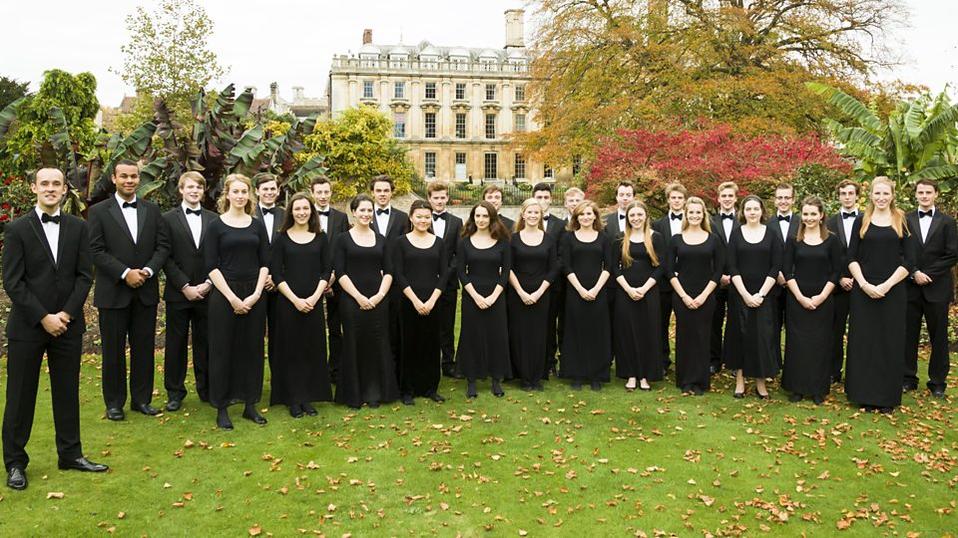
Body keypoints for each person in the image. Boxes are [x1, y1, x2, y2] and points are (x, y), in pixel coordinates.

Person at [2, 168, 108, 491]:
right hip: (28, 326)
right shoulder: (18, 229)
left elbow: (84, 276)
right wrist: (43, 316)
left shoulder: (79, 227)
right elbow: (13, 281)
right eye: (44, 183)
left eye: (56, 184)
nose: (50, 188)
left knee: (67, 392)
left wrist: (65, 314)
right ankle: (15, 462)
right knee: (20, 396)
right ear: (34, 187)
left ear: (65, 190)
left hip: (68, 325)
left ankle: (71, 454)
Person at [88, 159, 170, 420]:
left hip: (145, 290)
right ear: (114, 178)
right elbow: (95, 250)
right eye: (124, 176)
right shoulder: (99, 211)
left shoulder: (152, 210)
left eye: (133, 176)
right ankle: (114, 403)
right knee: (112, 351)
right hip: (113, 292)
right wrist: (125, 273)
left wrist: (147, 271)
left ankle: (142, 400)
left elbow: (163, 246)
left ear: (139, 178)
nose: (129, 181)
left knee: (144, 349)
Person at [205, 174, 270, 429]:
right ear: (227, 195)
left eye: (245, 191)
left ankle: (249, 404)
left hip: (254, 293)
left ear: (249, 195)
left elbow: (265, 261)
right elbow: (211, 266)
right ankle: (221, 407)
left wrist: (254, 295)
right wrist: (232, 298)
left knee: (252, 349)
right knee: (222, 350)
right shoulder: (216, 226)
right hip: (224, 294)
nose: (241, 196)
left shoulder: (257, 225)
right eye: (236, 191)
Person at [846, 177, 915, 413]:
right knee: (864, 342)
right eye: (877, 194)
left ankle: (886, 398)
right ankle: (863, 395)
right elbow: (851, 257)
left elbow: (910, 260)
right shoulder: (860, 221)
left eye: (885, 194)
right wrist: (864, 284)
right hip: (863, 291)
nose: (881, 198)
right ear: (871, 195)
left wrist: (887, 285)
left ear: (892, 195)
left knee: (889, 342)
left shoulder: (902, 220)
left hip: (893, 292)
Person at [333, 194, 400, 408]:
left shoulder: (381, 240)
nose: (366, 214)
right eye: (362, 210)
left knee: (377, 342)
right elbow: (340, 272)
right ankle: (355, 393)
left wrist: (379, 296)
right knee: (354, 342)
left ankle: (375, 392)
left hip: (378, 298)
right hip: (352, 299)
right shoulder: (342, 239)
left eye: (369, 210)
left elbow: (389, 271)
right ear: (353, 212)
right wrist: (359, 297)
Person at [270, 193, 332, 417]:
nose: (302, 212)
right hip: (288, 303)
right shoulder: (281, 238)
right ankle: (293, 399)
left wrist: (315, 297)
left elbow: (326, 269)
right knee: (291, 351)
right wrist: (295, 300)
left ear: (311, 211)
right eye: (297, 209)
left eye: (306, 208)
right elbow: (276, 273)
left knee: (311, 350)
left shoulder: (320, 237)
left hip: (314, 302)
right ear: (291, 212)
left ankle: (308, 397)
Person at [161, 171, 216, 411]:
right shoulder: (166, 219)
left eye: (199, 187)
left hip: (208, 291)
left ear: (203, 191)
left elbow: (219, 255)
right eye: (190, 187)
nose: (194, 191)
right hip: (178, 293)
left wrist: (207, 283)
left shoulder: (215, 219)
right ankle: (175, 392)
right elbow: (165, 256)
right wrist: (184, 285)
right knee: (176, 344)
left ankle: (207, 389)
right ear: (181, 190)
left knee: (207, 343)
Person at [782, 196, 842, 404]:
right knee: (797, 344)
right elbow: (787, 271)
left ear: (821, 215)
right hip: (797, 298)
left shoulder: (832, 240)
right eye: (805, 214)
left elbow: (836, 272)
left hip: (823, 299)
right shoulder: (793, 240)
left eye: (813, 214)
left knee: (820, 344)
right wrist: (799, 297)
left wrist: (822, 296)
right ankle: (797, 388)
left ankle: (818, 389)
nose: (809, 218)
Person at [904, 179, 957, 398]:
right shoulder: (905, 219)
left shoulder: (947, 222)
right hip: (910, 285)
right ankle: (908, 377)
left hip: (937, 287)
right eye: (921, 192)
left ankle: (937, 381)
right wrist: (914, 271)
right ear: (915, 195)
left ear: (936, 194)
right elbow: (901, 251)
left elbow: (953, 253)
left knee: (939, 337)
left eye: (928, 192)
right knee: (908, 334)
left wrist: (929, 274)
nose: (924, 196)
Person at [725, 195, 782, 399]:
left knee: (762, 339)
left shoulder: (772, 234)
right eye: (748, 209)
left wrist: (760, 294)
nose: (752, 212)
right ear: (743, 212)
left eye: (755, 209)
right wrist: (745, 294)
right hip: (740, 294)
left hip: (764, 295)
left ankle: (760, 382)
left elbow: (776, 266)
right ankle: (740, 381)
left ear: (762, 211)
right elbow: (732, 266)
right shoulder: (736, 234)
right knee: (740, 336)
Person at [394, 200, 449, 404]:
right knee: (409, 343)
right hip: (409, 300)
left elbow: (444, 274)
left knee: (431, 344)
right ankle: (407, 389)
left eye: (427, 217)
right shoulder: (400, 242)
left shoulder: (439, 242)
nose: (423, 220)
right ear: (411, 217)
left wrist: (432, 299)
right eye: (419, 216)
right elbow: (399, 273)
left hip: (433, 301)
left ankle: (430, 387)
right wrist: (416, 300)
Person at [667, 196, 724, 395]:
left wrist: (703, 295)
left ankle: (700, 381)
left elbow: (718, 271)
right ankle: (685, 380)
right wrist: (683, 296)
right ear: (685, 214)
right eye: (691, 212)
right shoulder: (676, 240)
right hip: (682, 295)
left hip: (705, 295)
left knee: (702, 337)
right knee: (684, 336)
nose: (694, 215)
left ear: (703, 215)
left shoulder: (713, 239)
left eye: (698, 212)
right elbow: (669, 270)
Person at [456, 201, 512, 398]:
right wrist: (476, 296)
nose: (480, 220)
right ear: (473, 218)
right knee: (472, 336)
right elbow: (461, 272)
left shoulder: (503, 242)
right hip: (472, 295)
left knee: (497, 336)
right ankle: (471, 379)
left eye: (485, 216)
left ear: (492, 218)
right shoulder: (464, 242)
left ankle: (496, 379)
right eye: (477, 216)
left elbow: (505, 272)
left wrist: (494, 296)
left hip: (496, 294)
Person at [560, 200, 613, 390]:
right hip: (575, 290)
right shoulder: (568, 238)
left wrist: (596, 289)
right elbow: (566, 265)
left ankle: (596, 375)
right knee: (576, 331)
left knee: (597, 332)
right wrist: (581, 289)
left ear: (595, 216)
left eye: (589, 214)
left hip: (598, 290)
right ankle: (577, 374)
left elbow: (609, 266)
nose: (585, 217)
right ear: (576, 217)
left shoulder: (603, 238)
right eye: (581, 214)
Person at [612, 200, 665, 391]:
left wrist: (644, 289)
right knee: (627, 333)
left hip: (649, 292)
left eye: (639, 215)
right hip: (625, 292)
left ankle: (645, 375)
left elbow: (661, 267)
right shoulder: (620, 238)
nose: (636, 218)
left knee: (647, 333)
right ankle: (631, 374)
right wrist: (628, 289)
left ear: (646, 216)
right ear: (628, 217)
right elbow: (613, 268)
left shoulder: (656, 238)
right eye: (632, 215)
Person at [508, 198, 559, 391]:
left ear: (540, 215)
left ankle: (536, 376)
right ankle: (522, 375)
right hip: (517, 293)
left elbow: (553, 268)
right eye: (529, 212)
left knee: (539, 334)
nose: (532, 215)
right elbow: (508, 268)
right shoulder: (513, 239)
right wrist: (520, 291)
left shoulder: (548, 239)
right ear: (523, 214)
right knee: (520, 333)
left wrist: (539, 292)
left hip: (541, 293)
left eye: (536, 213)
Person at [310, 176, 350, 384]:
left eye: (326, 192)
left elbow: (344, 248)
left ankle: (335, 370)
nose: (323, 196)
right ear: (312, 193)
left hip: (336, 279)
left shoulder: (341, 218)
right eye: (319, 192)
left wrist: (333, 276)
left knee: (336, 328)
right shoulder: (304, 215)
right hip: (310, 279)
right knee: (312, 329)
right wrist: (318, 279)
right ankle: (315, 371)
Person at [824, 179, 861, 385]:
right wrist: (839, 278)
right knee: (835, 331)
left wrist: (858, 278)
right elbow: (826, 255)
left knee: (860, 331)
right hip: (837, 286)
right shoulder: (829, 223)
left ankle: (857, 373)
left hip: (862, 285)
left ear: (857, 196)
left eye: (850, 193)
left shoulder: (867, 220)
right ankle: (833, 371)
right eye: (843, 193)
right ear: (838, 197)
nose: (847, 197)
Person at [427, 181, 464, 379]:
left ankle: (448, 363)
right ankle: (429, 361)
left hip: (449, 283)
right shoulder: (421, 219)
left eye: (443, 197)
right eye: (436, 198)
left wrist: (447, 273)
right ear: (429, 199)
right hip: (425, 281)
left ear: (447, 198)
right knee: (428, 324)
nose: (439, 201)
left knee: (447, 325)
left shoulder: (456, 222)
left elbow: (459, 253)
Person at [253, 173, 285, 389]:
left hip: (280, 284)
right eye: (265, 189)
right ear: (256, 191)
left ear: (278, 190)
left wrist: (276, 276)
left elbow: (290, 249)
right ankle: (249, 384)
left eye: (272, 188)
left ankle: (279, 382)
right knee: (252, 336)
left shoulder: (286, 215)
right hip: (252, 284)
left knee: (279, 336)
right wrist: (262, 278)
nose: (269, 192)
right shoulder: (246, 214)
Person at [653, 182, 687, 370]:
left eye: (680, 198)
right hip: (663, 283)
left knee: (686, 324)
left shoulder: (693, 221)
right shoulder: (658, 225)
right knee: (661, 324)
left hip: (689, 281)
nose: (676, 201)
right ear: (668, 200)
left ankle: (685, 363)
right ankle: (662, 361)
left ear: (684, 200)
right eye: (673, 198)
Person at [532, 183, 564, 377]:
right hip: (528, 282)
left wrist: (547, 278)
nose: (542, 201)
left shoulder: (559, 225)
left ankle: (550, 361)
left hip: (552, 284)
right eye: (539, 197)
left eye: (546, 197)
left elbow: (560, 257)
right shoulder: (523, 223)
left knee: (550, 324)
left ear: (551, 199)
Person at [552, 187, 584, 377]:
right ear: (565, 204)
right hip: (561, 283)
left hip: (584, 282)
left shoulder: (591, 225)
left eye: (577, 200)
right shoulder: (558, 227)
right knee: (561, 322)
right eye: (571, 201)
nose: (574, 204)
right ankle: (562, 358)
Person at [710, 181, 739, 375]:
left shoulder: (745, 220)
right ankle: (713, 360)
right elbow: (707, 251)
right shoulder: (709, 222)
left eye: (731, 196)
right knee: (714, 321)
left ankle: (734, 361)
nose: (727, 199)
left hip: (740, 280)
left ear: (736, 198)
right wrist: (718, 275)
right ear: (718, 199)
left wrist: (736, 276)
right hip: (715, 279)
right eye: (724, 196)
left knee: (737, 322)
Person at [770, 183, 800, 366]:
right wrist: (778, 275)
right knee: (772, 327)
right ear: (775, 200)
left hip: (797, 284)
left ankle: (793, 365)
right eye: (780, 197)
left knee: (795, 328)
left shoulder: (802, 222)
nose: (783, 201)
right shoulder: (766, 224)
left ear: (793, 200)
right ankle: (773, 365)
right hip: (772, 284)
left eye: (787, 197)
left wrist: (790, 277)